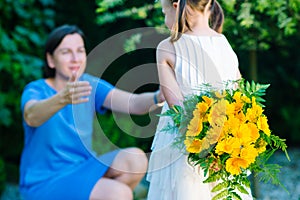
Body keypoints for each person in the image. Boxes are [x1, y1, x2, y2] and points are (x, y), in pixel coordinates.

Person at [19, 24, 164, 200]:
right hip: (46, 180)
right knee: (119, 193)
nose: (75, 58)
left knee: (136, 159)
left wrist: (158, 96)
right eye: (66, 52)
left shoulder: (89, 85)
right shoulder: (36, 89)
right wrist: (62, 98)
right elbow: (32, 116)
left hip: (83, 168)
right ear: (51, 60)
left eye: (80, 51)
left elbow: (132, 103)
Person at [146, 0, 253, 199]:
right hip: (225, 149)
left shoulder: (168, 47)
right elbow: (240, 103)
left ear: (176, 5)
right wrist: (224, 147)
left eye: (164, 12)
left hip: (185, 149)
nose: (165, 19)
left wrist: (204, 148)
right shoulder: (225, 45)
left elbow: (178, 111)